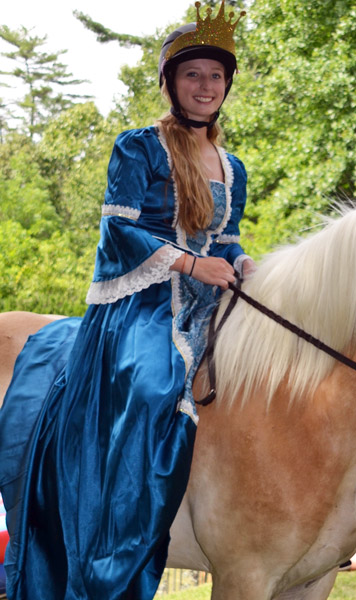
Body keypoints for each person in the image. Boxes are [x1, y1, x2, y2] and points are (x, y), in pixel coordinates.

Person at [0, 2, 253, 599]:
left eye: (215, 76)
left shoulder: (232, 164)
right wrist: (193, 263)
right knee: (151, 378)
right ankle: (115, 544)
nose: (205, 86)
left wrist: (241, 262)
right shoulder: (137, 147)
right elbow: (120, 229)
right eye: (192, 74)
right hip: (140, 303)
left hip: (205, 296)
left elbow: (228, 235)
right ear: (169, 82)